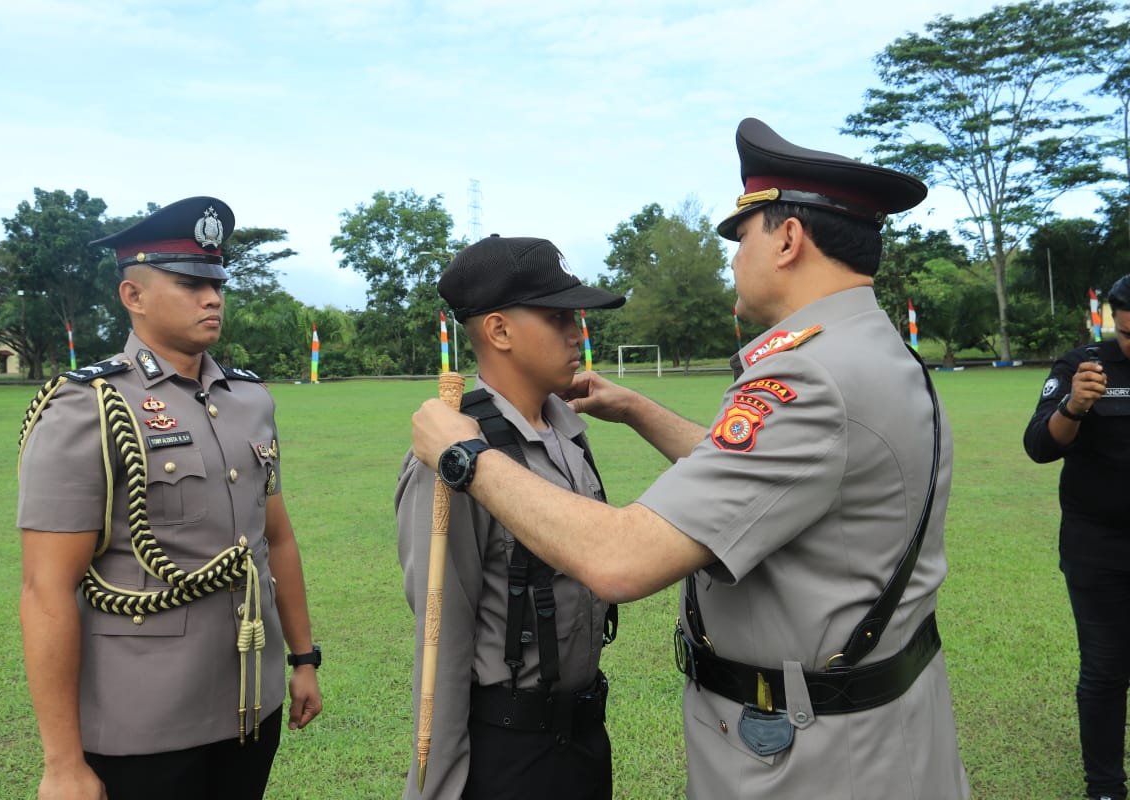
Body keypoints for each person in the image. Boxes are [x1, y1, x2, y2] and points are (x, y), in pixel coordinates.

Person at [410, 118, 970, 798]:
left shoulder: (810, 377)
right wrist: (641, 411)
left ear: (788, 239)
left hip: (820, 759)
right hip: (874, 730)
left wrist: (465, 456)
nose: (734, 256)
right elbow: (766, 486)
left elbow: (620, 560)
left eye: (742, 236)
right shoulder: (879, 353)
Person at [17, 196, 322, 800]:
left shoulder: (250, 401)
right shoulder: (88, 407)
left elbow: (274, 538)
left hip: (247, 704)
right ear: (134, 296)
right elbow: (45, 587)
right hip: (144, 719)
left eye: (216, 283)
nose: (212, 298)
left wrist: (303, 658)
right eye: (188, 283)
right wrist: (62, 763)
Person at [398, 235, 626, 799]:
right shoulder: (454, 453)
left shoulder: (567, 431)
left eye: (576, 316)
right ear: (498, 331)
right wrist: (439, 784)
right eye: (556, 317)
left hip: (583, 735)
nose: (578, 332)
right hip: (508, 752)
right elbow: (442, 638)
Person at [1023, 275, 1130, 800]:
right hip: (1099, 549)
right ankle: (1105, 787)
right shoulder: (1082, 365)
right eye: (1128, 333)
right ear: (1114, 320)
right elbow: (1039, 447)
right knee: (1108, 669)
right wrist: (1075, 407)